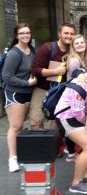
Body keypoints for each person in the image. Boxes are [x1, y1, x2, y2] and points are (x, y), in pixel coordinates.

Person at [55, 52, 87, 194]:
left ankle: (86, 175)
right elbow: (77, 112)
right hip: (66, 116)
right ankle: (75, 184)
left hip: (80, 115)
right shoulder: (82, 82)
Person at [3, 23, 37, 172]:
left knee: (22, 126)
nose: (25, 35)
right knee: (15, 127)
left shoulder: (31, 50)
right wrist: (26, 83)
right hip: (15, 92)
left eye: (28, 33)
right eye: (22, 33)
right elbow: (6, 76)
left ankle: (21, 155)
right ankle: (12, 158)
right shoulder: (13, 53)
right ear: (16, 35)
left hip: (28, 92)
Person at [29, 23, 76, 129]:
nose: (69, 36)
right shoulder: (47, 48)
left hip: (63, 90)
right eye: (66, 33)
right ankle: (38, 144)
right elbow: (35, 70)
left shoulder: (74, 50)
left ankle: (52, 144)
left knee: (57, 121)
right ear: (59, 34)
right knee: (36, 121)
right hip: (43, 89)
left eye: (72, 34)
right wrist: (55, 71)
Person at [62, 34, 87, 163]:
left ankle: (74, 150)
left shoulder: (86, 57)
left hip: (82, 95)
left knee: (78, 122)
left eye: (81, 42)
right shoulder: (74, 60)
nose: (80, 45)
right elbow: (76, 79)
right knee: (74, 123)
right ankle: (71, 153)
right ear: (73, 46)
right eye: (76, 43)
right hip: (74, 95)